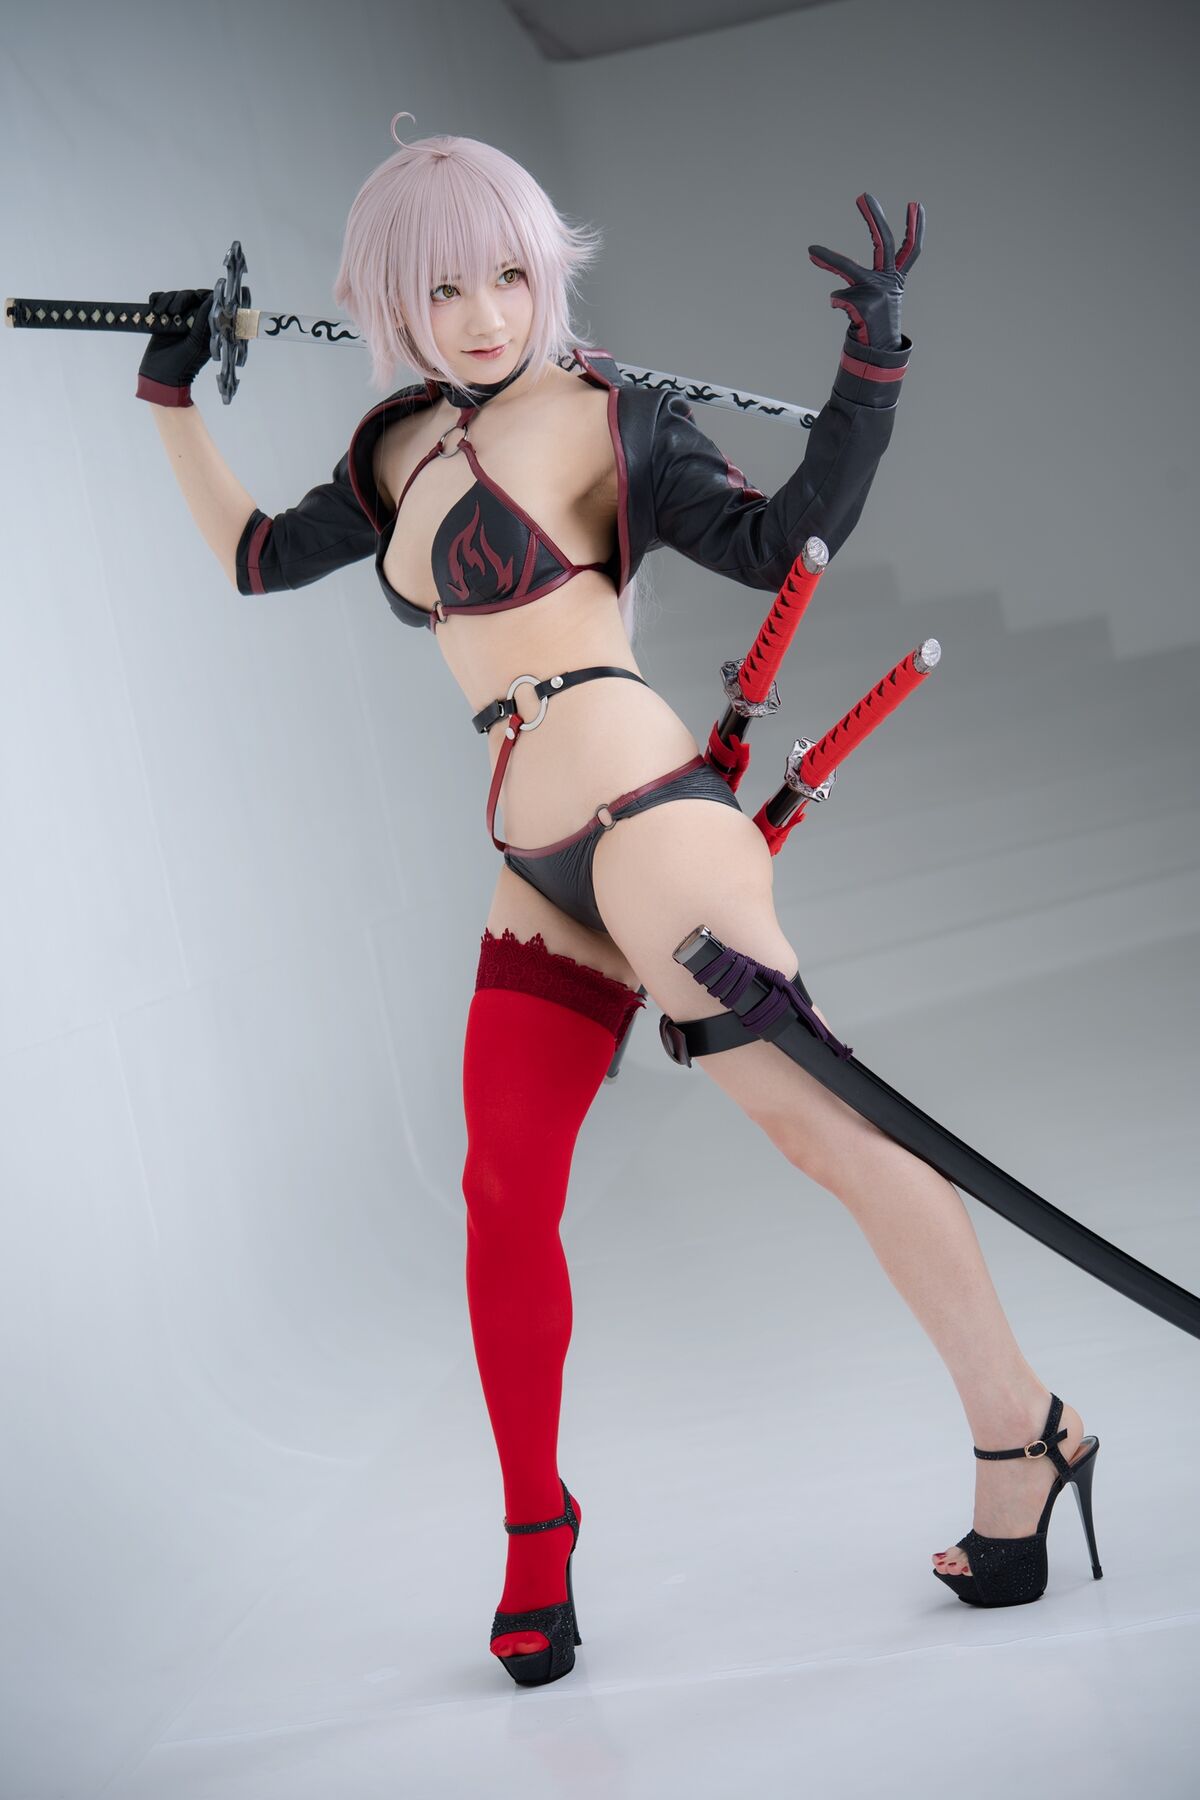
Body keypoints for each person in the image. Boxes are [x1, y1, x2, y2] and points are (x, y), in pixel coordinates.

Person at [137, 124, 1093, 1688]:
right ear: (392, 302)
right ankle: (537, 1539)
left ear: (547, 274)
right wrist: (170, 399)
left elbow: (784, 541)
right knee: (503, 1198)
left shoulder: (611, 416)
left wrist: (871, 371)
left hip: (654, 826)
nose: (483, 317)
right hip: (536, 872)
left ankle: (1024, 1432)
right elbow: (255, 557)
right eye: (442, 290)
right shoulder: (392, 449)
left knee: (831, 1136)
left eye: (509, 277)